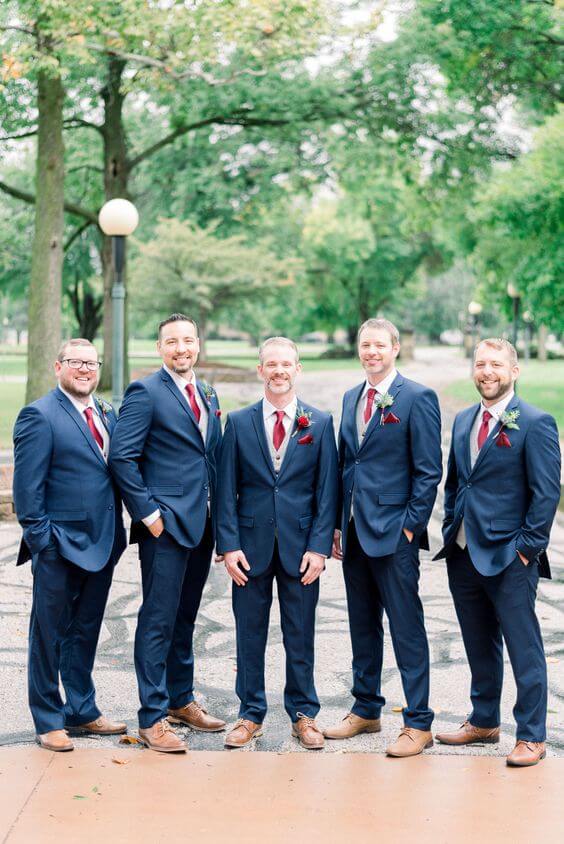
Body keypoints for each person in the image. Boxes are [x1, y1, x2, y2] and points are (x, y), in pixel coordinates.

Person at [434, 338, 561, 767]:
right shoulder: (466, 418)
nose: (487, 372)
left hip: (510, 555)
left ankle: (531, 735)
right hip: (464, 552)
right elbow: (457, 481)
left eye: (496, 365)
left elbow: (546, 493)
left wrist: (526, 548)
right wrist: (453, 526)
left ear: (514, 371)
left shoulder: (536, 422)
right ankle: (484, 719)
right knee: (478, 642)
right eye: (480, 364)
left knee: (524, 647)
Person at [324, 318, 442, 757]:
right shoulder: (351, 396)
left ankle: (418, 722)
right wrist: (338, 523)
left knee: (407, 627)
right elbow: (344, 464)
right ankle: (366, 708)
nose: (371, 352)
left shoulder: (417, 397)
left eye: (379, 345)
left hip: (395, 534)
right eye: (365, 345)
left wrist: (410, 526)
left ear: (395, 347)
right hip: (354, 532)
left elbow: (429, 470)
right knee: (362, 625)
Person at [109, 314, 225, 753]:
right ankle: (152, 716)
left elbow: (210, 457)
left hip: (202, 524)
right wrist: (149, 515)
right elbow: (122, 457)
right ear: (160, 348)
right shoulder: (145, 391)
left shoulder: (208, 393)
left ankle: (181, 699)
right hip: (164, 526)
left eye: (188, 340)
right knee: (157, 619)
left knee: (185, 617)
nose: (181, 348)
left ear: (198, 345)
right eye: (172, 342)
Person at [216, 337, 338, 749]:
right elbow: (225, 487)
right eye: (271, 364)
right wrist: (228, 546)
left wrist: (319, 548)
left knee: (299, 634)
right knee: (248, 634)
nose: (279, 370)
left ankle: (304, 714)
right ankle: (250, 713)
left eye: (286, 364)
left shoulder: (319, 424)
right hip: (248, 550)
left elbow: (328, 493)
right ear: (260, 370)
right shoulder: (238, 422)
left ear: (297, 369)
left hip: (301, 548)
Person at [12, 339, 127, 751]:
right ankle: (48, 719)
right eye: (76, 362)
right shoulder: (39, 416)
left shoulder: (107, 413)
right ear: (57, 366)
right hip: (58, 545)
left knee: (85, 631)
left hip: (103, 543)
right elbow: (26, 491)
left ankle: (81, 709)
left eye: (91, 363)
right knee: (48, 635)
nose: (84, 369)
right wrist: (44, 542)